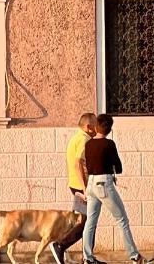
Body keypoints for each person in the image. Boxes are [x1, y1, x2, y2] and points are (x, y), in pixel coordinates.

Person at [81, 113, 152, 264]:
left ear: (96, 127)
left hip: (91, 183)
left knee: (91, 221)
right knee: (122, 220)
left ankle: (87, 257)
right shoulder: (109, 144)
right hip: (104, 183)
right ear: (109, 129)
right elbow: (118, 167)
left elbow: (87, 165)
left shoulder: (88, 144)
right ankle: (135, 256)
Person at [49, 113, 105, 264]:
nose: (97, 128)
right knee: (89, 222)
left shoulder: (76, 137)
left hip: (77, 185)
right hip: (82, 186)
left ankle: (88, 257)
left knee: (88, 220)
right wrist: (85, 188)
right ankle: (60, 245)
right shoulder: (83, 139)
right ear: (88, 127)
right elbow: (78, 163)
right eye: (95, 125)